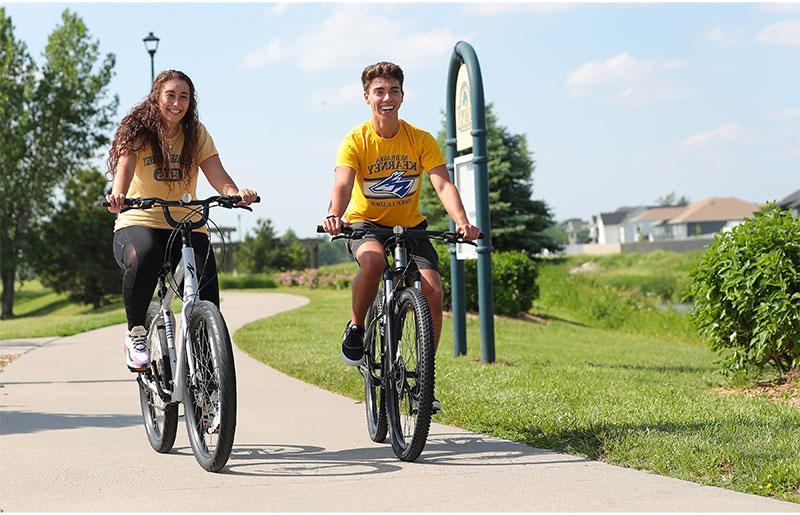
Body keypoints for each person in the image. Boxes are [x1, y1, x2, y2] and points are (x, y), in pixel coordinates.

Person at [321, 61, 480, 412]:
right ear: (367, 97)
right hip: (365, 224)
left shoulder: (420, 139)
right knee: (374, 260)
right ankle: (357, 326)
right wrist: (334, 214)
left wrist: (462, 221)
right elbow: (343, 183)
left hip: (410, 228)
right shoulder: (356, 140)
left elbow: (442, 182)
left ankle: (425, 376)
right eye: (379, 91)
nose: (387, 97)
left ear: (402, 96)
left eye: (393, 91)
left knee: (433, 291)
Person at [106, 69, 257, 372]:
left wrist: (234, 193)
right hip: (140, 219)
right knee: (146, 255)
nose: (177, 103)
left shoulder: (196, 133)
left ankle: (207, 376)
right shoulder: (137, 129)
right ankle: (135, 333)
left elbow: (216, 172)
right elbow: (124, 165)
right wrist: (118, 194)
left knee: (207, 296)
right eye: (170, 95)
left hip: (187, 225)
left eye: (184, 96)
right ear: (156, 97)